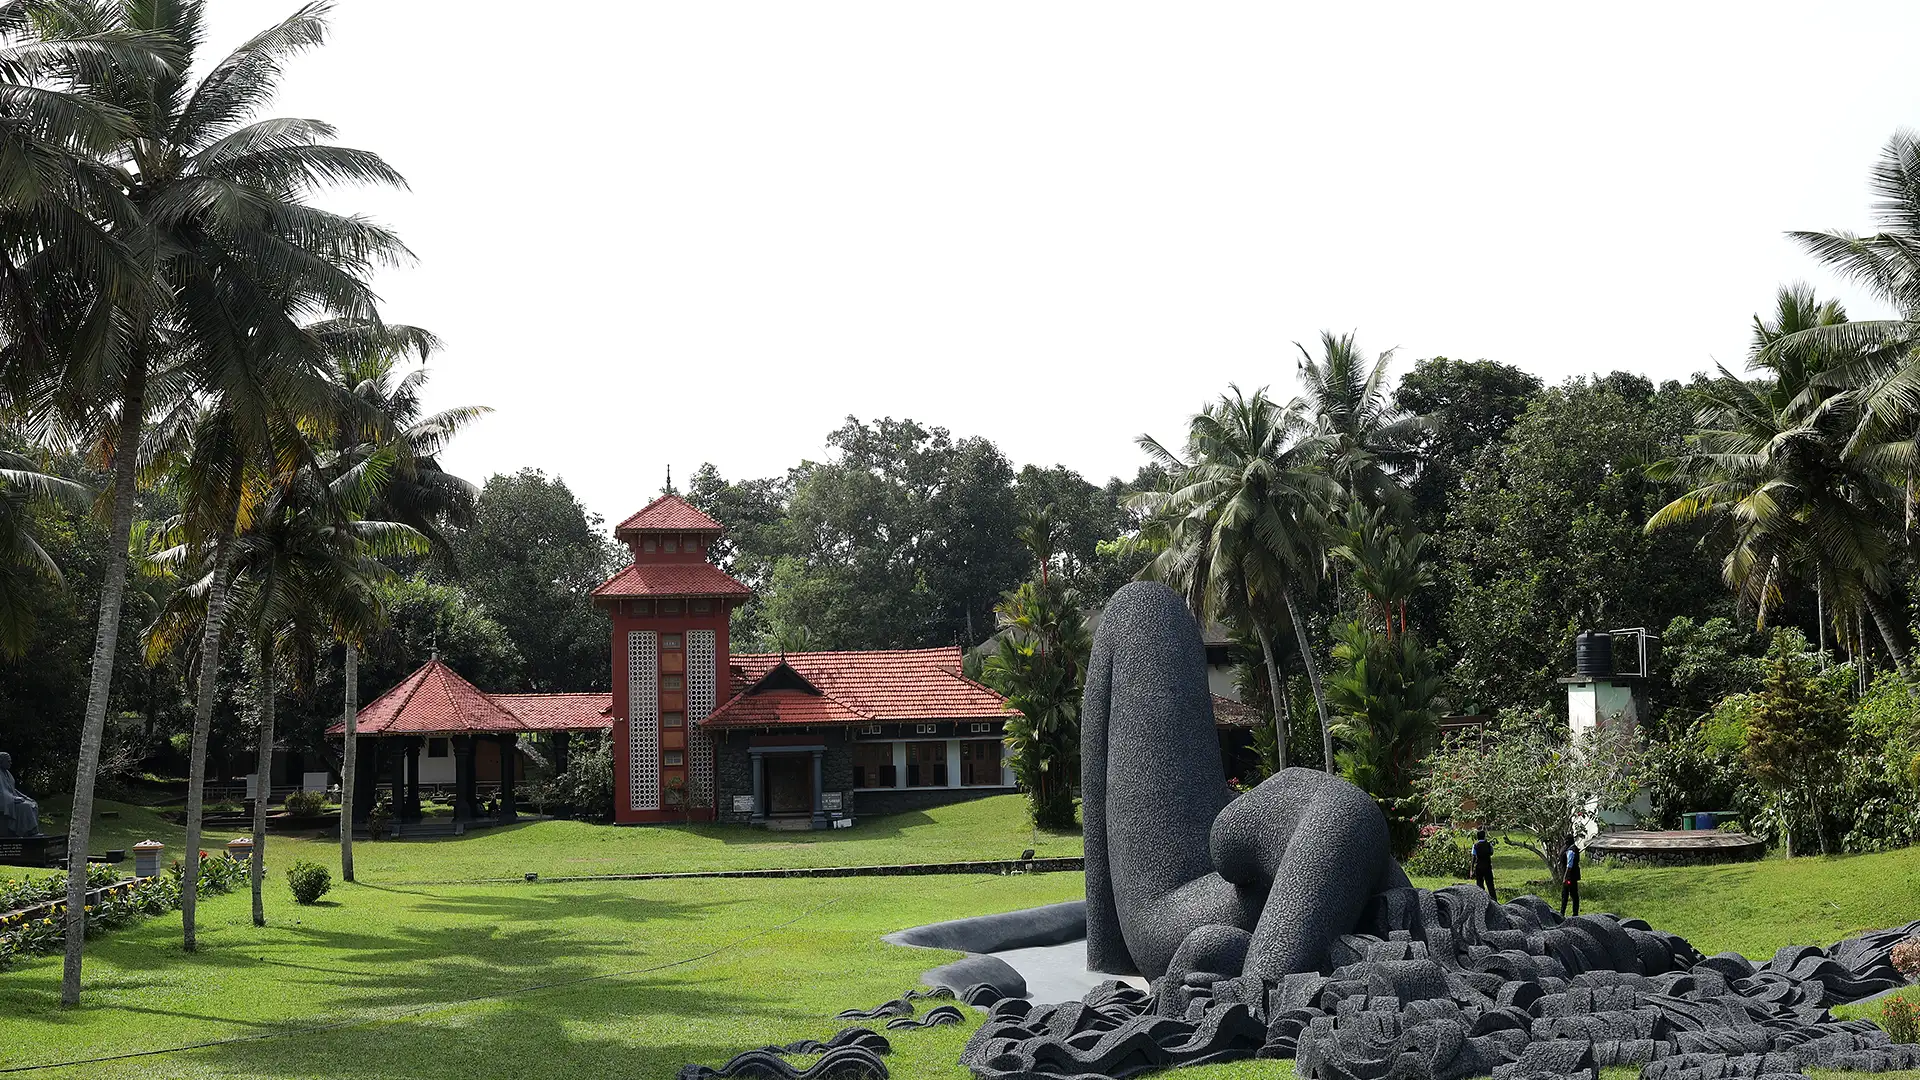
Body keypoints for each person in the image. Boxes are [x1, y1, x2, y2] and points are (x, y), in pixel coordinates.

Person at [1560, 833, 1582, 917]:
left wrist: (1565, 877)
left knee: (1572, 895)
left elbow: (1569, 865)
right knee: (1566, 895)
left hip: (1570, 876)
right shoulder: (1568, 848)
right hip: (1570, 876)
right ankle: (1562, 913)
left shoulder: (1571, 850)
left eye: (1566, 840)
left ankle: (1574, 914)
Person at [1471, 828, 1497, 900]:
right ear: (1484, 836)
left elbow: (1473, 858)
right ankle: (1494, 900)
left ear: (1477, 837)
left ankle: (1482, 900)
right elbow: (1491, 853)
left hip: (1479, 867)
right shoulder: (1489, 845)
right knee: (1490, 885)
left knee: (1480, 885)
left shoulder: (1475, 846)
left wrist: (1471, 870)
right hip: (1487, 867)